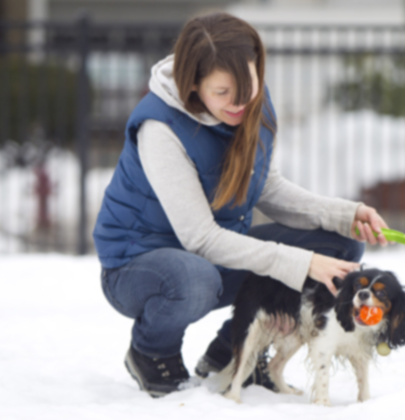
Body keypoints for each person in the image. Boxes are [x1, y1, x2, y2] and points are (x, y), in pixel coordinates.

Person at [93, 12, 389, 398]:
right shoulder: (160, 128)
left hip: (211, 252)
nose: (238, 103)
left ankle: (231, 353)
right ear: (193, 85)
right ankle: (152, 353)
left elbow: (267, 188)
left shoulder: (253, 102)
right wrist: (300, 263)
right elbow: (200, 238)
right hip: (138, 265)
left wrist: (343, 215)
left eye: (247, 85)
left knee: (339, 246)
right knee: (197, 279)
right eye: (221, 93)